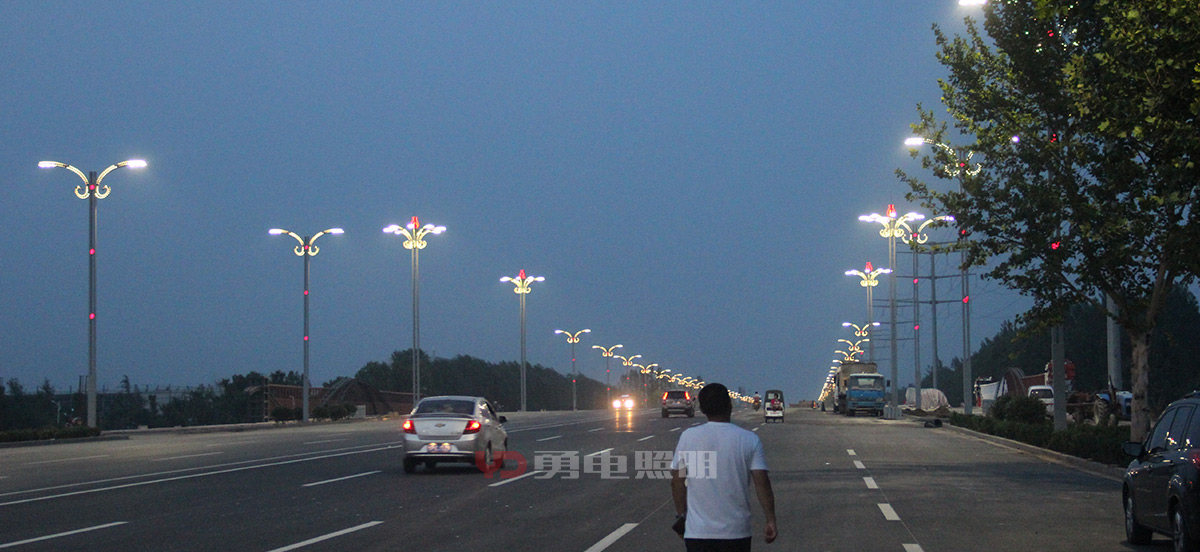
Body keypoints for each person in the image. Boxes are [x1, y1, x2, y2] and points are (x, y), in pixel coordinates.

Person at [671, 383, 777, 551]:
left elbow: (677, 481)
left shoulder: (688, 437)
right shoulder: (749, 439)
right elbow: (762, 483)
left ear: (702, 409)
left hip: (698, 533)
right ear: (730, 405)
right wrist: (770, 519)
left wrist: (681, 515)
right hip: (737, 533)